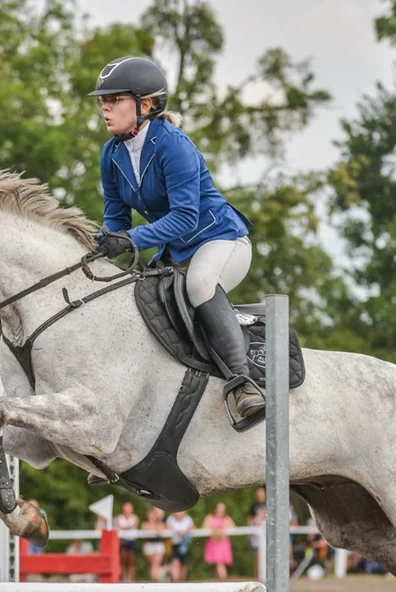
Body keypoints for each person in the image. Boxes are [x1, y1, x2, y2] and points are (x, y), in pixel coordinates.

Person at [88, 56, 264, 422]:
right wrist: (97, 244)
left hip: (220, 240)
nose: (105, 108)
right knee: (136, 301)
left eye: (115, 99)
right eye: (102, 101)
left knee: (199, 284)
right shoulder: (112, 153)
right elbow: (116, 218)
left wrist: (131, 239)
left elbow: (184, 218)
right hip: (176, 251)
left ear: (145, 105)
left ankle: (243, 383)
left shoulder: (173, 145)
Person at [203, 503, 235, 580]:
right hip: (214, 544)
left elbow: (233, 527)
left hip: (223, 544)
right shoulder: (210, 518)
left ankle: (221, 581)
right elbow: (205, 527)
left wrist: (221, 531)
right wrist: (215, 530)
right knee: (219, 563)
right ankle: (224, 580)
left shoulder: (227, 518)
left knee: (219, 564)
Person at [166, 510, 196, 582]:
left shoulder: (188, 519)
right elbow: (167, 528)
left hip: (184, 544)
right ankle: (176, 579)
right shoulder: (170, 519)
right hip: (174, 544)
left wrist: (184, 532)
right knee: (175, 561)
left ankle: (182, 580)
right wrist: (179, 531)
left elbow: (193, 528)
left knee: (183, 563)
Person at [114, 501, 140, 582]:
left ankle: (132, 580)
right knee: (123, 562)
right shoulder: (119, 518)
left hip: (131, 541)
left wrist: (124, 528)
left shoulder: (135, 518)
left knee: (131, 562)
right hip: (123, 541)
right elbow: (120, 526)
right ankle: (123, 580)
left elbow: (128, 526)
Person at [141, 506, 168, 582]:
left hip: (158, 545)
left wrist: (159, 519)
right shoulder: (145, 524)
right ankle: (154, 580)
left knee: (155, 564)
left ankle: (153, 580)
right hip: (149, 546)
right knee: (153, 565)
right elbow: (147, 528)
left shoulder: (160, 523)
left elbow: (162, 529)